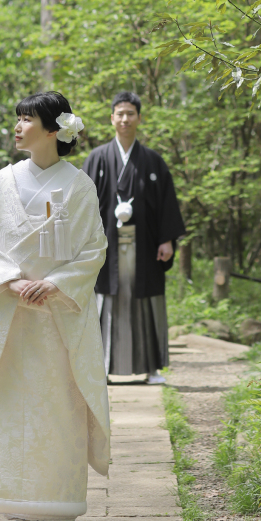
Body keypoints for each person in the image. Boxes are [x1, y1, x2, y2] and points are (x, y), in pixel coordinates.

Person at [0, 90, 110, 521]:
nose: (17, 127)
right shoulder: (0, 183)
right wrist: (10, 282)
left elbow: (94, 249)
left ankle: (58, 505)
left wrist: (54, 284)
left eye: (26, 119)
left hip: (56, 319)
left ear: (53, 129)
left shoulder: (79, 184)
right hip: (11, 317)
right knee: (11, 408)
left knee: (58, 407)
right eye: (17, 118)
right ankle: (16, 505)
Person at [83, 90, 186, 384]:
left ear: (139, 118)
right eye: (120, 114)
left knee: (148, 303)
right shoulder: (97, 159)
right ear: (111, 118)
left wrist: (166, 239)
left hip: (145, 247)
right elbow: (83, 202)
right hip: (106, 247)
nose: (125, 119)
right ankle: (100, 368)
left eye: (130, 113)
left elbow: (166, 204)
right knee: (105, 301)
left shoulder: (153, 161)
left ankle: (152, 368)